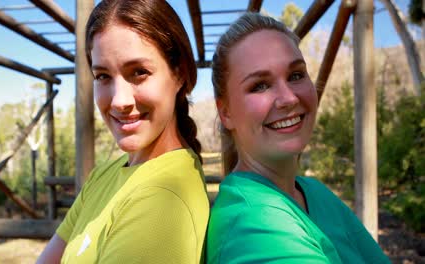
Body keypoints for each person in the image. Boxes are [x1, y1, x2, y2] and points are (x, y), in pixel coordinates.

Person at [206, 13, 390, 264]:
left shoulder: (314, 192)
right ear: (225, 112)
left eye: (295, 75)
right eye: (260, 85)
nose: (290, 98)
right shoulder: (252, 227)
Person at [37, 0, 209, 263]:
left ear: (180, 74)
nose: (119, 101)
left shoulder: (162, 202)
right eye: (103, 76)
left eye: (139, 72)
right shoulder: (102, 176)